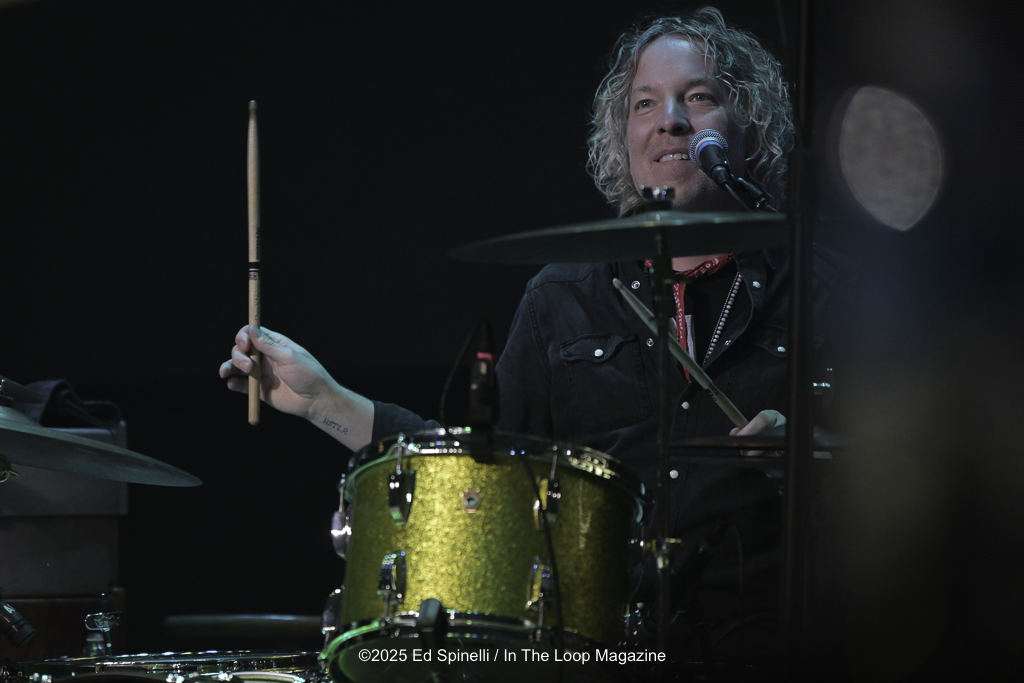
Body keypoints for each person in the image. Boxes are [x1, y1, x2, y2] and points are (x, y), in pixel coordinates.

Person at [220, 7, 849, 668]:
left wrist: (819, 457)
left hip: (773, 644)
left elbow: (903, 478)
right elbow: (477, 473)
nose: (670, 120)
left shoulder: (823, 291)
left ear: (751, 125)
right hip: (601, 654)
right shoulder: (563, 296)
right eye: (645, 103)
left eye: (698, 96)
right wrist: (322, 399)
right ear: (623, 138)